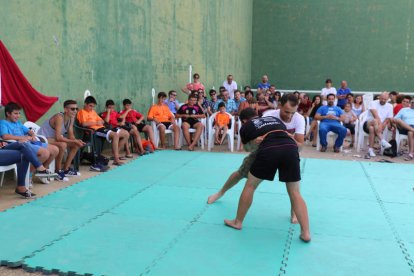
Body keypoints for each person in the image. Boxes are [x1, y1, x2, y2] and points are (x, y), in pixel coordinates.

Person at [208, 94, 305, 224]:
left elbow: (300, 146)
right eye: (286, 112)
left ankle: (294, 214)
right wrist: (255, 141)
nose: (289, 116)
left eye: (293, 113)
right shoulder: (269, 115)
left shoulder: (299, 119)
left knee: (293, 188)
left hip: (287, 150)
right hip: (264, 151)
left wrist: (288, 138)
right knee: (241, 173)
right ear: (280, 106)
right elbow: (250, 145)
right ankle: (220, 192)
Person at [222, 108, 311, 242]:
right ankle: (306, 233)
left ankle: (237, 222)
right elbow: (285, 134)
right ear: (257, 115)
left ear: (244, 120)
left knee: (250, 186)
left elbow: (247, 149)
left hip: (269, 150)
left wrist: (254, 142)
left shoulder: (246, 126)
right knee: (295, 193)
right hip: (291, 148)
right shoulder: (274, 119)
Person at [0, 102, 59, 184]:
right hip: (18, 145)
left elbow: (29, 131)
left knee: (55, 149)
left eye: (19, 113)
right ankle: (29, 175)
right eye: (15, 113)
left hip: (29, 142)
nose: (18, 116)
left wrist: (33, 135)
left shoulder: (18, 123)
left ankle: (42, 172)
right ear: (8, 113)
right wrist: (23, 138)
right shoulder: (3, 123)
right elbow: (5, 136)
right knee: (45, 153)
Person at [38, 100, 85, 181]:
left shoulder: (71, 118)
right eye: (72, 109)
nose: (75, 111)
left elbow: (71, 135)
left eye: (76, 109)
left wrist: (77, 141)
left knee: (75, 145)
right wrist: (74, 141)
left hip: (53, 139)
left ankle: (66, 169)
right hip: (43, 138)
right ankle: (58, 171)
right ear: (65, 109)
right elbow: (58, 138)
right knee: (63, 144)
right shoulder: (59, 117)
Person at [77, 96, 127, 166]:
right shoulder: (81, 112)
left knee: (117, 134)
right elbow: (84, 123)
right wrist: (96, 123)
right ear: (85, 104)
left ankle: (116, 157)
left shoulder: (93, 112)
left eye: (93, 106)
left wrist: (99, 122)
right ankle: (116, 159)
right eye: (90, 106)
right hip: (94, 130)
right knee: (115, 135)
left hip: (101, 128)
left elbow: (102, 121)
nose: (91, 108)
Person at [363, 92, 393, 157]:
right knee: (375, 120)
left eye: (385, 99)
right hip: (368, 123)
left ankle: (370, 150)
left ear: (388, 99)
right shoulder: (373, 103)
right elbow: (376, 116)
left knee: (372, 128)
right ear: (379, 97)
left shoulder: (390, 106)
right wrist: (380, 125)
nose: (383, 100)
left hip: (377, 127)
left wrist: (383, 125)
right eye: (382, 98)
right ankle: (382, 140)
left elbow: (388, 118)